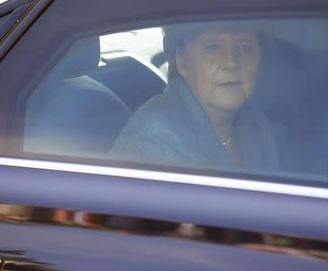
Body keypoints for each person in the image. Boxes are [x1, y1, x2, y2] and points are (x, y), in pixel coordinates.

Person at [110, 20, 280, 171]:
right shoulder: (152, 143)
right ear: (181, 61)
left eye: (245, 47)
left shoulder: (255, 124)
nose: (232, 62)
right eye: (213, 47)